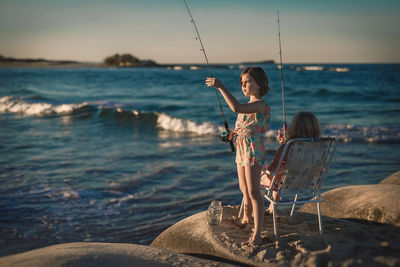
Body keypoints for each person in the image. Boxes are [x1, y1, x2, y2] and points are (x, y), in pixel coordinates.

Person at [205, 67, 270, 247]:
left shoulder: (260, 105)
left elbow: (236, 107)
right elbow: (245, 128)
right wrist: (233, 134)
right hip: (242, 149)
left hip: (253, 151)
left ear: (260, 83)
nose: (243, 85)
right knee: (243, 188)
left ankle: (257, 234)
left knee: (254, 192)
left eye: (247, 81)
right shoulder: (248, 106)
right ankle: (245, 219)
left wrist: (221, 87)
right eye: (241, 83)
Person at [264, 111, 321, 214]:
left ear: (293, 128)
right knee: (281, 173)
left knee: (263, 173)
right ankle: (272, 207)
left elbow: (271, 169)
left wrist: (283, 146)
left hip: (284, 184)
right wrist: (285, 144)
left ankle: (256, 210)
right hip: (308, 182)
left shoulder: (288, 147)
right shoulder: (319, 147)